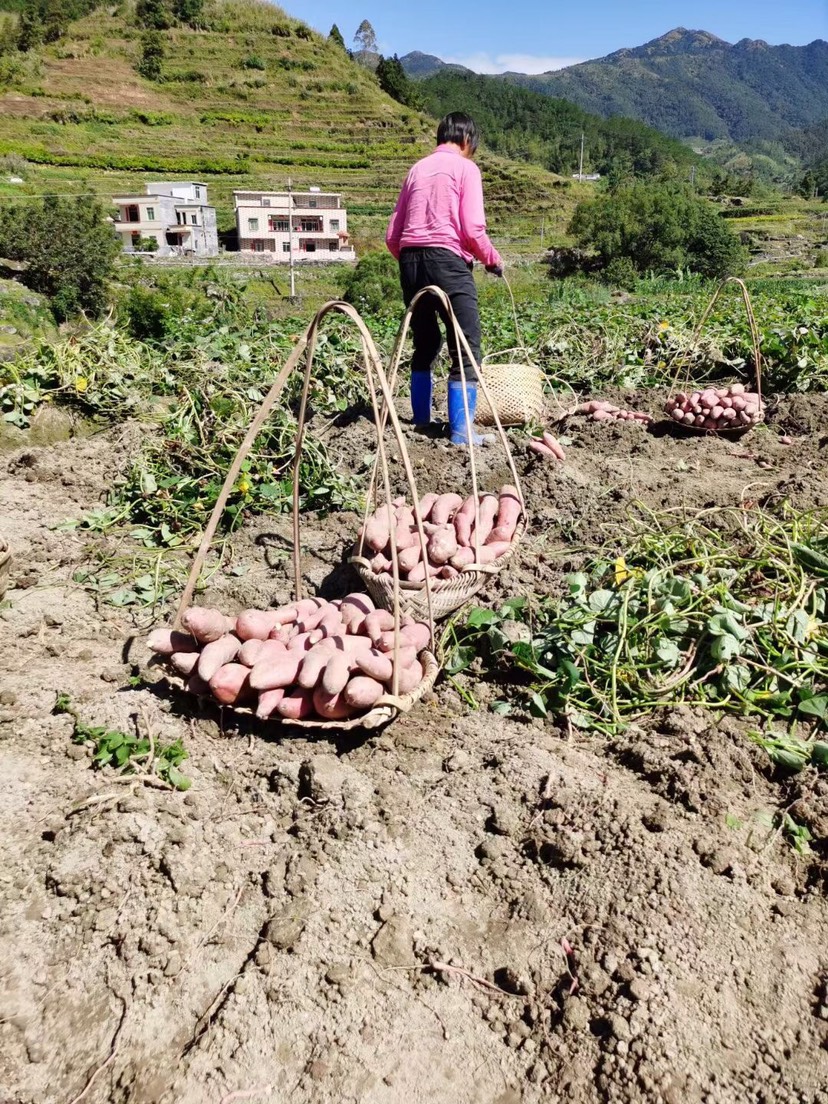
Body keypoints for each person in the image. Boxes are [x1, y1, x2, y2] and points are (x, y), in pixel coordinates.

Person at [386, 112, 503, 446]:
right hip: (447, 260)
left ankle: (421, 421)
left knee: (426, 342)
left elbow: (392, 236)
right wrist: (492, 260)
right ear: (467, 141)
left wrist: (415, 262)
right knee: (465, 346)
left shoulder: (416, 170)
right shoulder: (466, 168)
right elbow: (472, 228)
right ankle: (462, 432)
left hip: (409, 261)